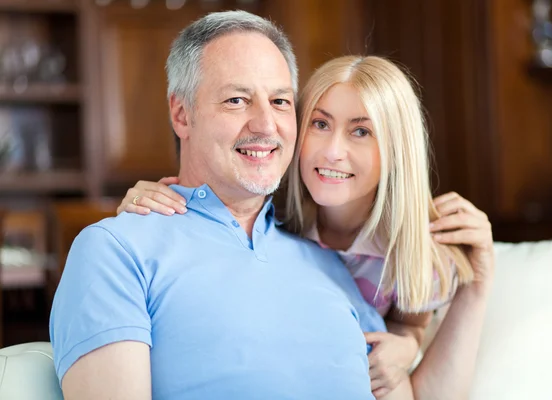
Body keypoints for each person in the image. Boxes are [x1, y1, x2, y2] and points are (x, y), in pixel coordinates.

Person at [49, 11, 398, 400]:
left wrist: (475, 287)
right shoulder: (116, 251)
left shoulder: (330, 261)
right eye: (237, 100)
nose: (266, 124)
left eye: (280, 101)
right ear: (182, 114)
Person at [119, 53, 495, 399]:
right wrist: (144, 197)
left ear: (398, 150)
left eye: (361, 131)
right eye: (319, 123)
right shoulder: (269, 212)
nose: (332, 151)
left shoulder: (416, 247)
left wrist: (410, 342)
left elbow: (410, 325)